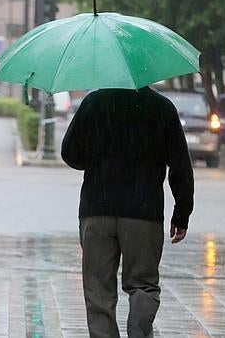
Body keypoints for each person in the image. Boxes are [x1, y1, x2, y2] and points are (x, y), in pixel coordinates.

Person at [61, 86, 194, 338]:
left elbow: (70, 153)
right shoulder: (161, 108)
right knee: (143, 284)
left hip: (97, 209)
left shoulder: (94, 103)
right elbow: (180, 166)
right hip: (143, 213)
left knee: (98, 288)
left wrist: (97, 159)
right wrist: (182, 212)